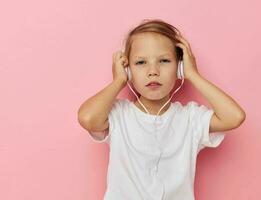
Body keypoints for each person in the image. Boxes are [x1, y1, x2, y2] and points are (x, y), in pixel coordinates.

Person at [77, 19, 246, 200]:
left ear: (179, 68)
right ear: (128, 70)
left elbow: (234, 117)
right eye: (141, 62)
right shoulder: (119, 115)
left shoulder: (190, 118)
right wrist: (118, 81)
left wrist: (193, 75)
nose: (153, 71)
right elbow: (87, 118)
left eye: (164, 61)